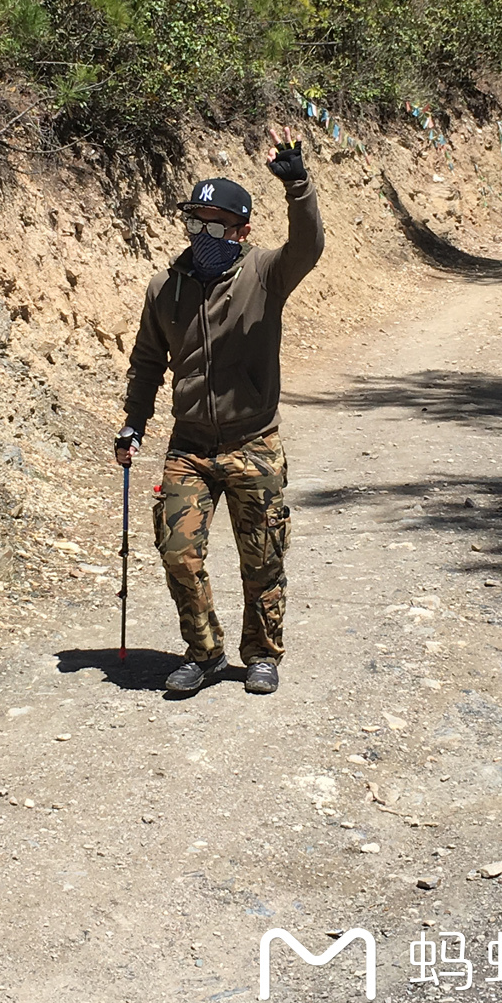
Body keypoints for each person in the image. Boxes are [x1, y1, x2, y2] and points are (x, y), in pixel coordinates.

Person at [115, 140, 323, 695]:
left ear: (242, 231)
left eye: (218, 226)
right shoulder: (165, 288)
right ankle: (205, 653)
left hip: (253, 442)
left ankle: (262, 654)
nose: (205, 235)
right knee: (178, 553)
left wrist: (297, 188)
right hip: (189, 446)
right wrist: (133, 422)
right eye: (196, 223)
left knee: (262, 561)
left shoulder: (265, 275)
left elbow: (308, 246)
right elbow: (146, 362)